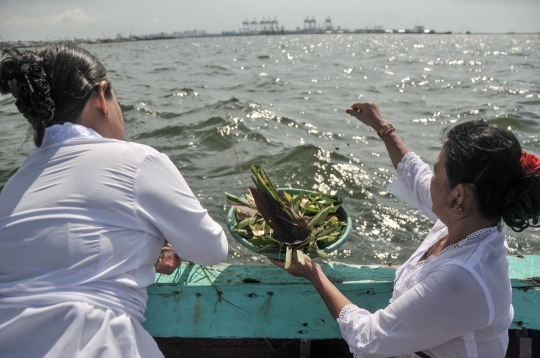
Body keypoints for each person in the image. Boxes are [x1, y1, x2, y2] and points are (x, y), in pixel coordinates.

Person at [0, 43, 228, 357]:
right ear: (101, 95)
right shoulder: (139, 161)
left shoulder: (13, 186)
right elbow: (212, 249)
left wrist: (141, 251)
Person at [271, 101, 540, 357]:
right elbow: (416, 176)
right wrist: (382, 127)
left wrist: (314, 274)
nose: (430, 179)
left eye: (437, 172)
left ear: (458, 196)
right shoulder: (468, 220)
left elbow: (369, 338)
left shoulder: (462, 278)